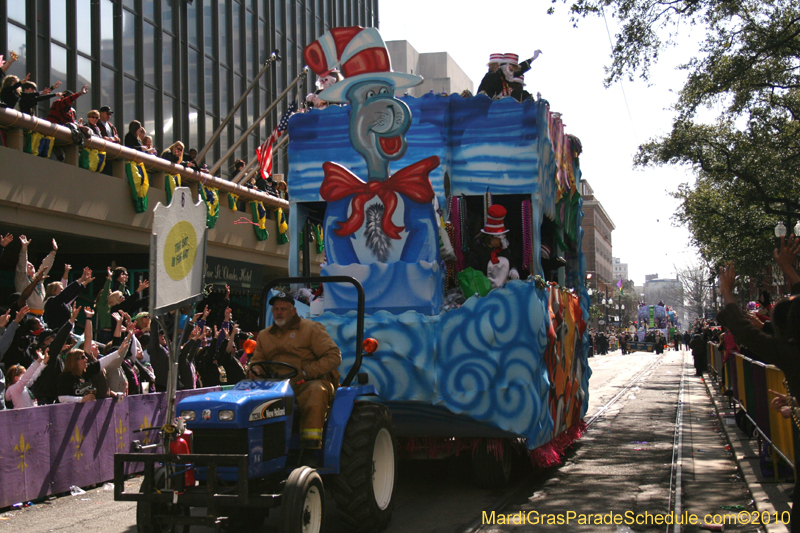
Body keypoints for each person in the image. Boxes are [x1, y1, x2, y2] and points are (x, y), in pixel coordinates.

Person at [250, 292, 341, 450]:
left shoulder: (311, 329)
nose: (279, 312)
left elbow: (333, 356)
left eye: (284, 309)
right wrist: (255, 370)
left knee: (315, 392)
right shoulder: (264, 336)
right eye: (276, 309)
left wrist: (306, 372)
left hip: (305, 383)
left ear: (294, 311)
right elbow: (257, 361)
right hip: (274, 386)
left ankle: (310, 448)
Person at [56, 330, 133, 403]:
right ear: (74, 361)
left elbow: (103, 361)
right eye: (82, 357)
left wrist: (119, 352)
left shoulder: (88, 369)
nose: (86, 358)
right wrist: (81, 399)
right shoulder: (65, 377)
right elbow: (61, 398)